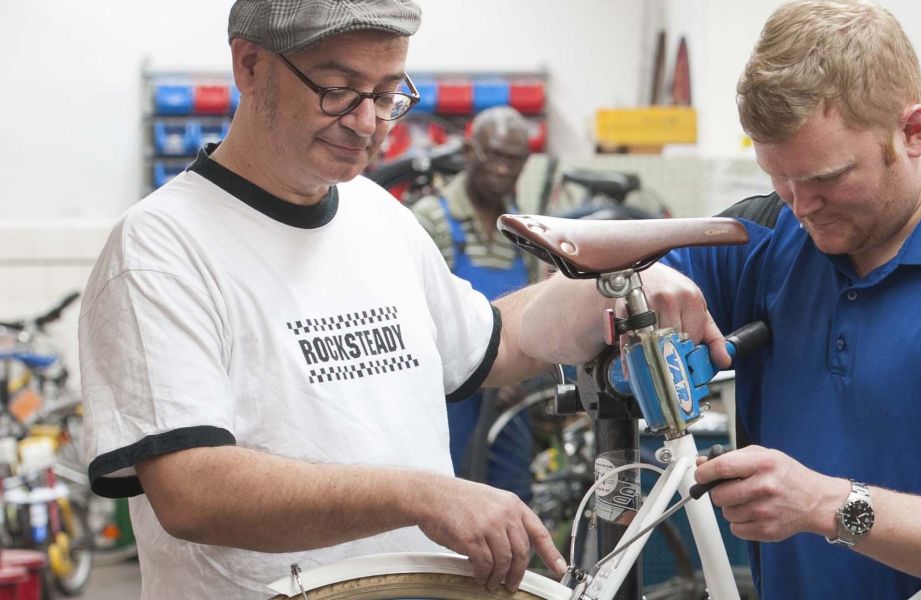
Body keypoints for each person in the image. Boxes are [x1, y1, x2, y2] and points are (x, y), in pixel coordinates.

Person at [522, 1, 921, 596]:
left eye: (826, 179)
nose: (801, 206)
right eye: (779, 177)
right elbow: (536, 325)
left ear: (912, 132)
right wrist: (612, 285)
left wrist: (830, 505)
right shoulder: (772, 238)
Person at [78, 1, 597, 596]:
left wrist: (602, 292)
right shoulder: (160, 248)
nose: (368, 122)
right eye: (338, 89)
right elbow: (193, 489)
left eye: (386, 93)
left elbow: (493, 340)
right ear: (249, 66)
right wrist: (420, 494)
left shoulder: (376, 213)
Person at [411, 106, 538, 501]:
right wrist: (482, 372)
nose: (502, 169)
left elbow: (535, 314)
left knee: (515, 511)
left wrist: (518, 373)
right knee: (445, 510)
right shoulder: (430, 220)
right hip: (449, 404)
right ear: (469, 151)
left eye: (513, 160)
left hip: (510, 406)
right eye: (493, 155)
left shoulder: (523, 230)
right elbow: (419, 322)